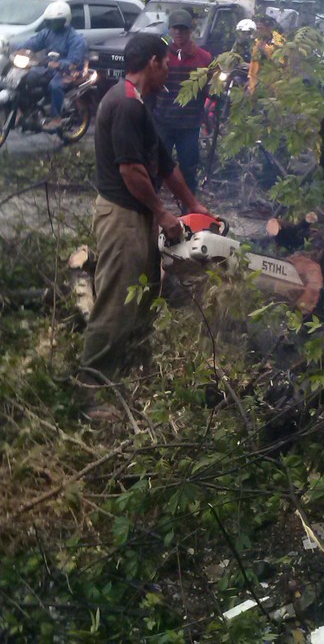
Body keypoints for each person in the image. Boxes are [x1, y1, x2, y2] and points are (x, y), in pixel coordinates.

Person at [79, 32, 212, 393]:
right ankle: (92, 386)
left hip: (138, 214)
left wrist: (193, 205)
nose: (169, 69)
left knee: (146, 294)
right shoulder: (125, 104)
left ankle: (131, 371)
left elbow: (165, 163)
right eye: (166, 63)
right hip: (122, 214)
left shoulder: (141, 103)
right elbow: (131, 171)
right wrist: (165, 215)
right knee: (117, 300)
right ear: (152, 62)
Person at [151, 8, 213, 194]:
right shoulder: (161, 56)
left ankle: (190, 214)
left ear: (190, 31)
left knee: (188, 169)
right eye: (175, 29)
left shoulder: (204, 58)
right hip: (163, 121)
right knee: (157, 168)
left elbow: (209, 91)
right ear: (170, 30)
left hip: (189, 125)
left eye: (183, 29)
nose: (179, 33)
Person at [14, 0, 88, 131]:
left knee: (55, 86)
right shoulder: (47, 33)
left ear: (65, 20)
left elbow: (74, 61)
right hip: (48, 68)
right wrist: (14, 48)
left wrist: (59, 64)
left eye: (56, 21)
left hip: (70, 72)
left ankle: (56, 119)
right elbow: (33, 42)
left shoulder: (76, 39)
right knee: (26, 78)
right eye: (50, 21)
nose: (53, 24)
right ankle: (24, 111)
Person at [248, 14, 285, 93]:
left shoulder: (278, 42)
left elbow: (280, 64)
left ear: (269, 28)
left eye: (260, 28)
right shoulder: (259, 41)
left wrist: (266, 51)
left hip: (271, 86)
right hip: (255, 85)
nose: (258, 31)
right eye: (257, 28)